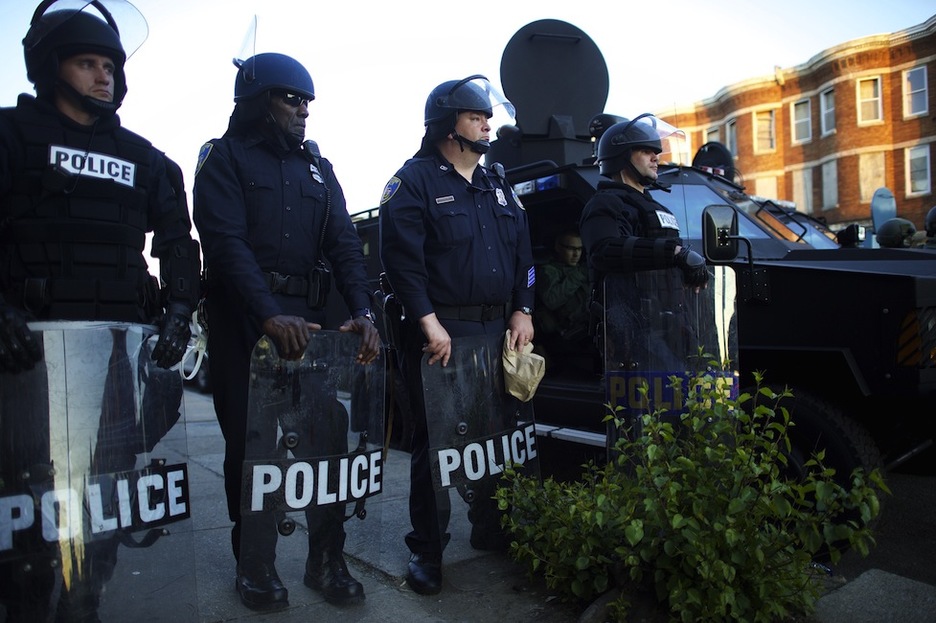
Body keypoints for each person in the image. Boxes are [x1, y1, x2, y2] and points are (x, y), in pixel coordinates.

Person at [0, 1, 199, 619]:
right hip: (25, 363)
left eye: (110, 64)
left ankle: (85, 598)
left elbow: (177, 244)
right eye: (87, 63)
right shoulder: (9, 138)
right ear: (50, 66)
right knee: (27, 499)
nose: (103, 76)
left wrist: (179, 310)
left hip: (114, 358)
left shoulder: (144, 157)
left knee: (106, 492)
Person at [192, 51, 380, 612]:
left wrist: (364, 311)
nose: (303, 111)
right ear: (257, 101)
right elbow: (225, 242)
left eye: (307, 102)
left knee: (327, 440)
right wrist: (268, 314)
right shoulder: (222, 158)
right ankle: (254, 565)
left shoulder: (318, 168)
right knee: (251, 451)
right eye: (290, 99)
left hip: (311, 325)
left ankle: (327, 559)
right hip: (245, 323)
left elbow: (345, 244)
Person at [378, 75, 535, 596]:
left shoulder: (498, 184)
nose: (487, 123)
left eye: (486, 115)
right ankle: (428, 550)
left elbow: (523, 256)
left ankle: (491, 527)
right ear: (449, 125)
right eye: (476, 116)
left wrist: (524, 309)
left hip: (497, 330)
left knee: (496, 435)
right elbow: (401, 262)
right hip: (441, 331)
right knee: (438, 444)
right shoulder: (414, 181)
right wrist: (427, 322)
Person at [579, 114, 708, 371]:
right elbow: (605, 250)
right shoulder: (605, 203)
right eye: (646, 151)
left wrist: (691, 270)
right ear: (622, 156)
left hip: (672, 325)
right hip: (634, 331)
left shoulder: (658, 208)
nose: (655, 158)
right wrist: (675, 253)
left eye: (656, 152)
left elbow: (671, 260)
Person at [534, 229, 592, 371]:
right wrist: (578, 275)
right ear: (558, 247)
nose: (576, 254)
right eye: (571, 248)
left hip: (589, 327)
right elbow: (552, 300)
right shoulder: (549, 271)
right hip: (567, 335)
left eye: (579, 249)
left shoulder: (584, 270)